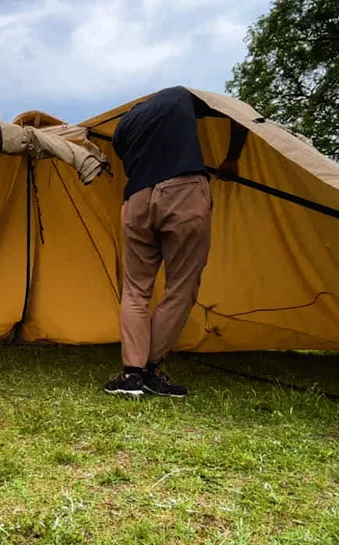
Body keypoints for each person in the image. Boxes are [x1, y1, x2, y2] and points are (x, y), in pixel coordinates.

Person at [105, 86, 249, 398]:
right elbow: (239, 116)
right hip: (183, 191)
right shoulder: (179, 95)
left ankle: (131, 376)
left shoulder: (122, 127)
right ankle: (151, 370)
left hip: (136, 200)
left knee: (135, 290)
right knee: (181, 286)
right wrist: (232, 159)